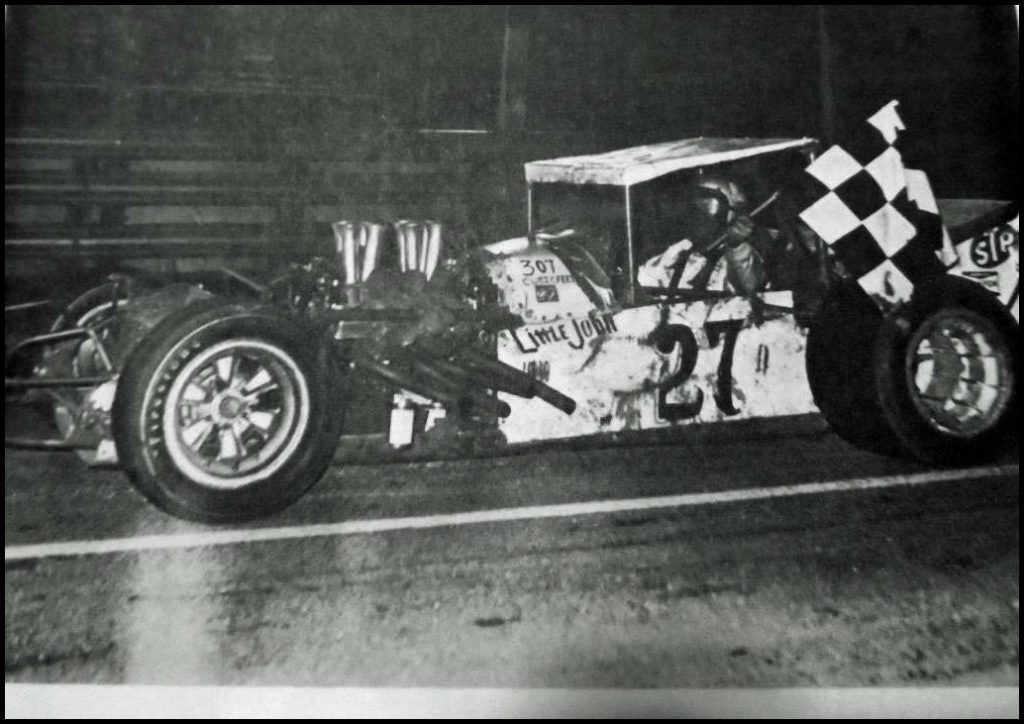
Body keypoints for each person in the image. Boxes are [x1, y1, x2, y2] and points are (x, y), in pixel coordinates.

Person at [637, 174, 769, 295]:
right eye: (694, 207)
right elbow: (647, 280)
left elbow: (751, 288)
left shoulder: (740, 256)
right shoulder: (680, 251)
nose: (698, 215)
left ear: (730, 213)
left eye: (708, 206)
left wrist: (737, 246)